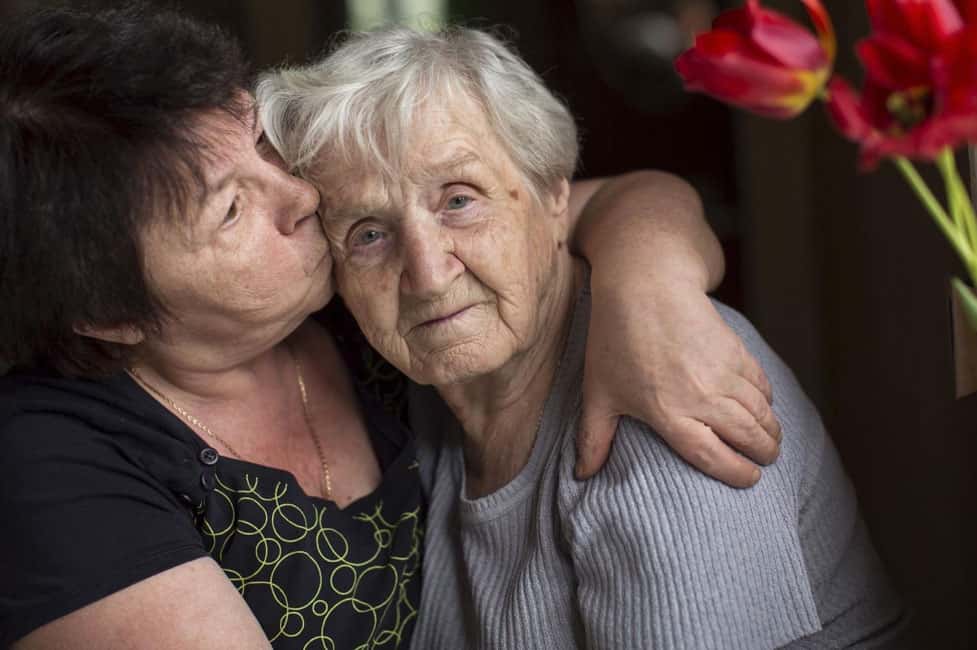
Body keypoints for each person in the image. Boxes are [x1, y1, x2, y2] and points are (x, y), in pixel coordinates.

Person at [0, 4, 782, 649]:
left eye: (263, 143)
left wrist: (653, 296)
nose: (300, 196)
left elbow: (598, 201)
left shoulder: (359, 282)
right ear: (111, 312)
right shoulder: (46, 459)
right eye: (233, 209)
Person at [261, 26, 909, 648]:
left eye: (459, 201)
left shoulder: (666, 400)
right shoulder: (418, 394)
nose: (427, 276)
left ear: (553, 198)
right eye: (369, 235)